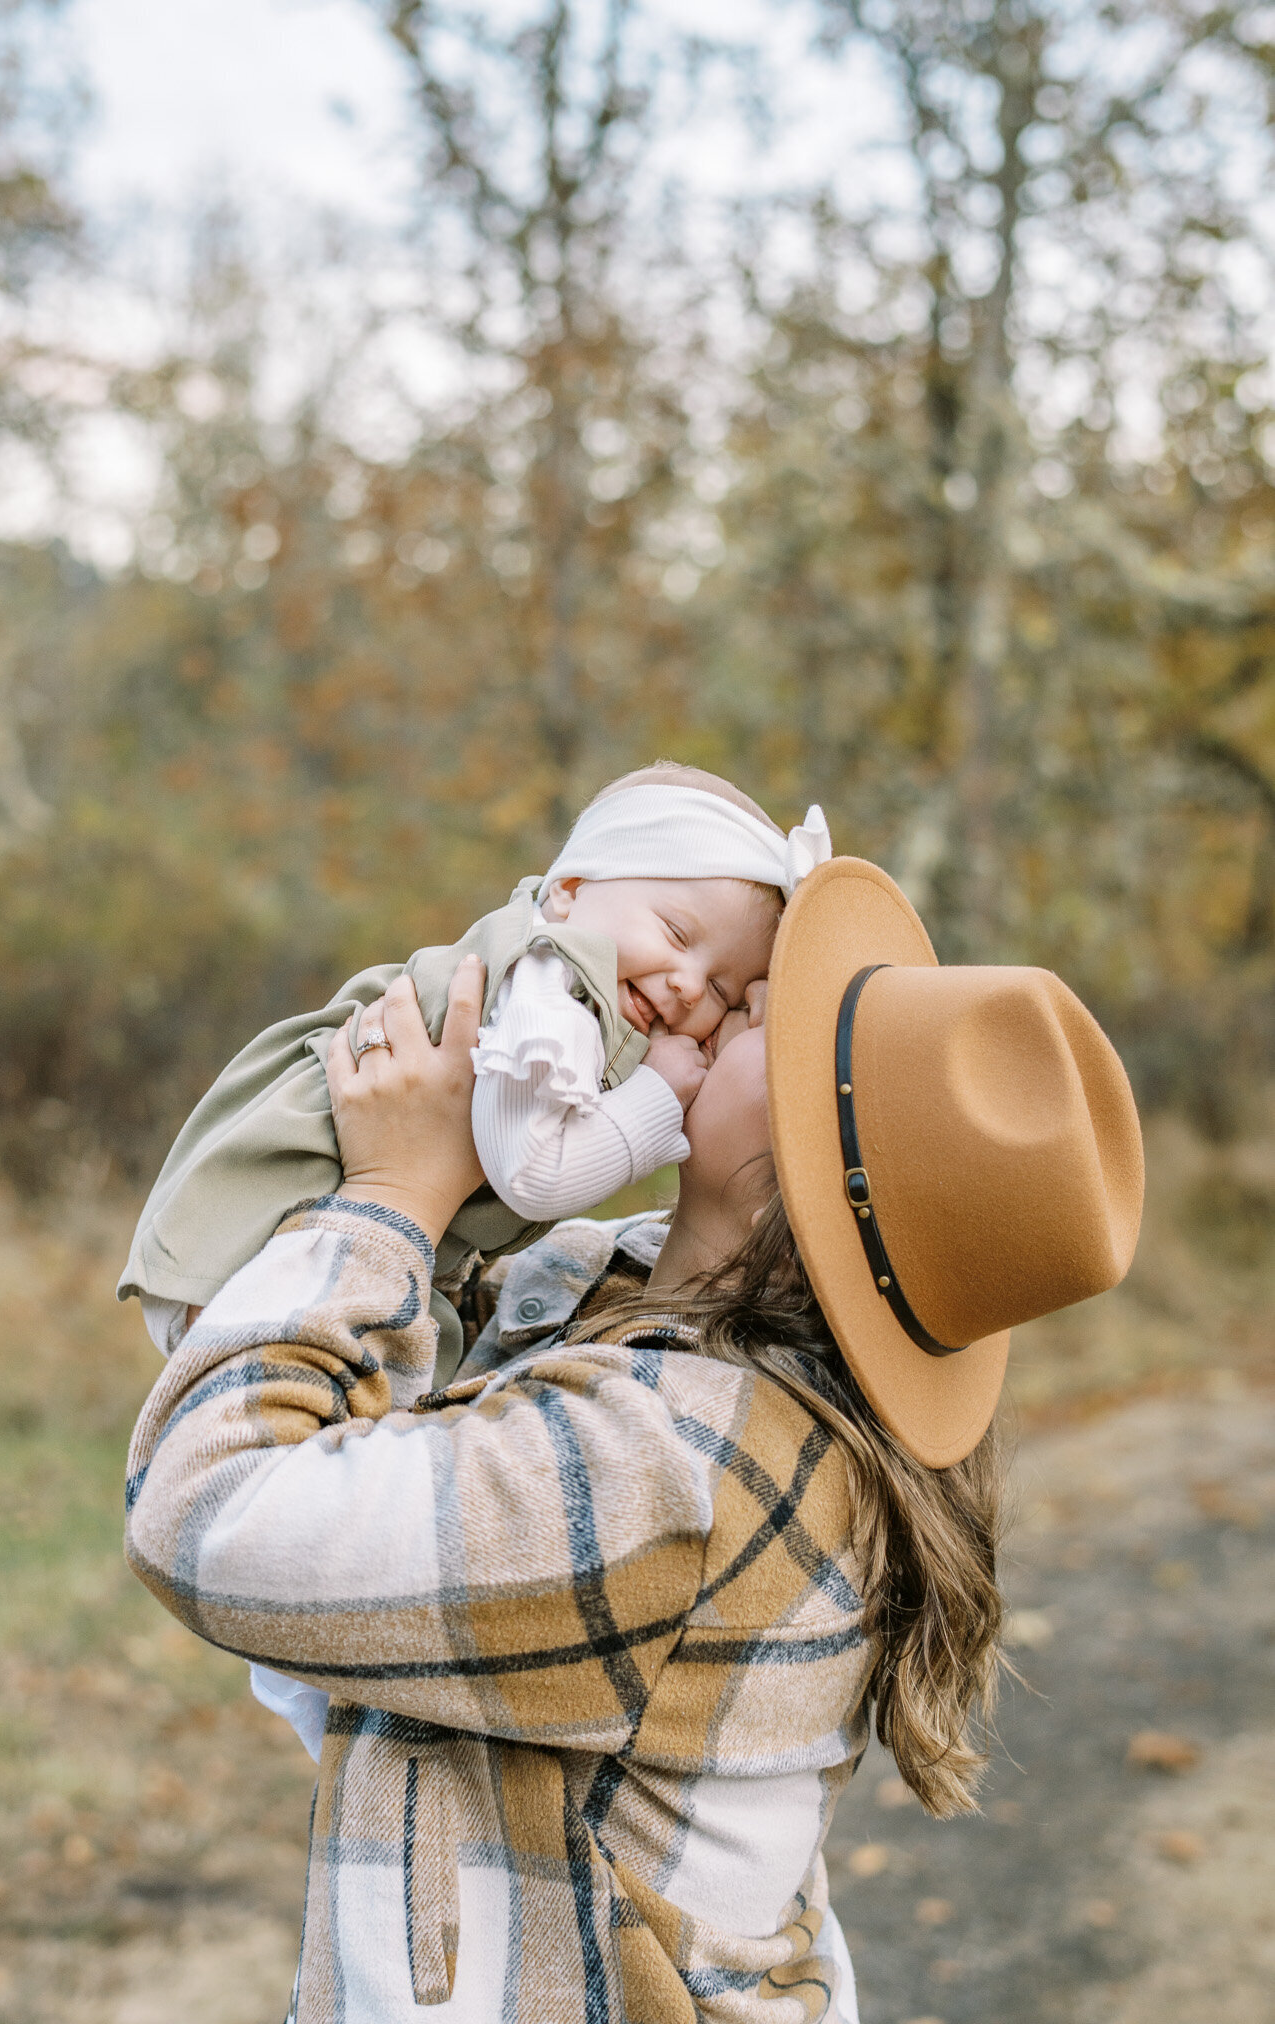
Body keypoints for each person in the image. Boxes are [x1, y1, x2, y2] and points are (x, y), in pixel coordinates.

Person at [124, 857, 1144, 2024]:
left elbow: (207, 1511)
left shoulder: (673, 1467)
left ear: (789, 1172)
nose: (732, 997)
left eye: (769, 1014)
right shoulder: (613, 1285)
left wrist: (392, 1201)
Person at [117, 763, 831, 1381]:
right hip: (272, 1232)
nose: (685, 986)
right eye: (677, 935)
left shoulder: (578, 989)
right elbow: (531, 1172)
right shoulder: (550, 989)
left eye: (721, 992)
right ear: (569, 890)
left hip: (313, 1242)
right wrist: (654, 1102)